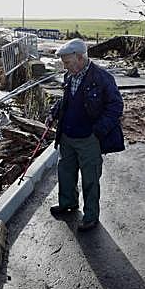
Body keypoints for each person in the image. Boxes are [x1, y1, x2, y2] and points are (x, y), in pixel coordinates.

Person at [45, 38, 124, 231]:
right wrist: (53, 113)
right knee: (65, 173)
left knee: (90, 179)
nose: (65, 67)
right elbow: (66, 100)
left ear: (80, 58)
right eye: (64, 63)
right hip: (67, 136)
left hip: (89, 138)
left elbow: (116, 106)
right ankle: (68, 203)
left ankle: (90, 217)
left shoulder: (102, 78)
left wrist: (98, 131)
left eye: (68, 63)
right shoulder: (69, 76)